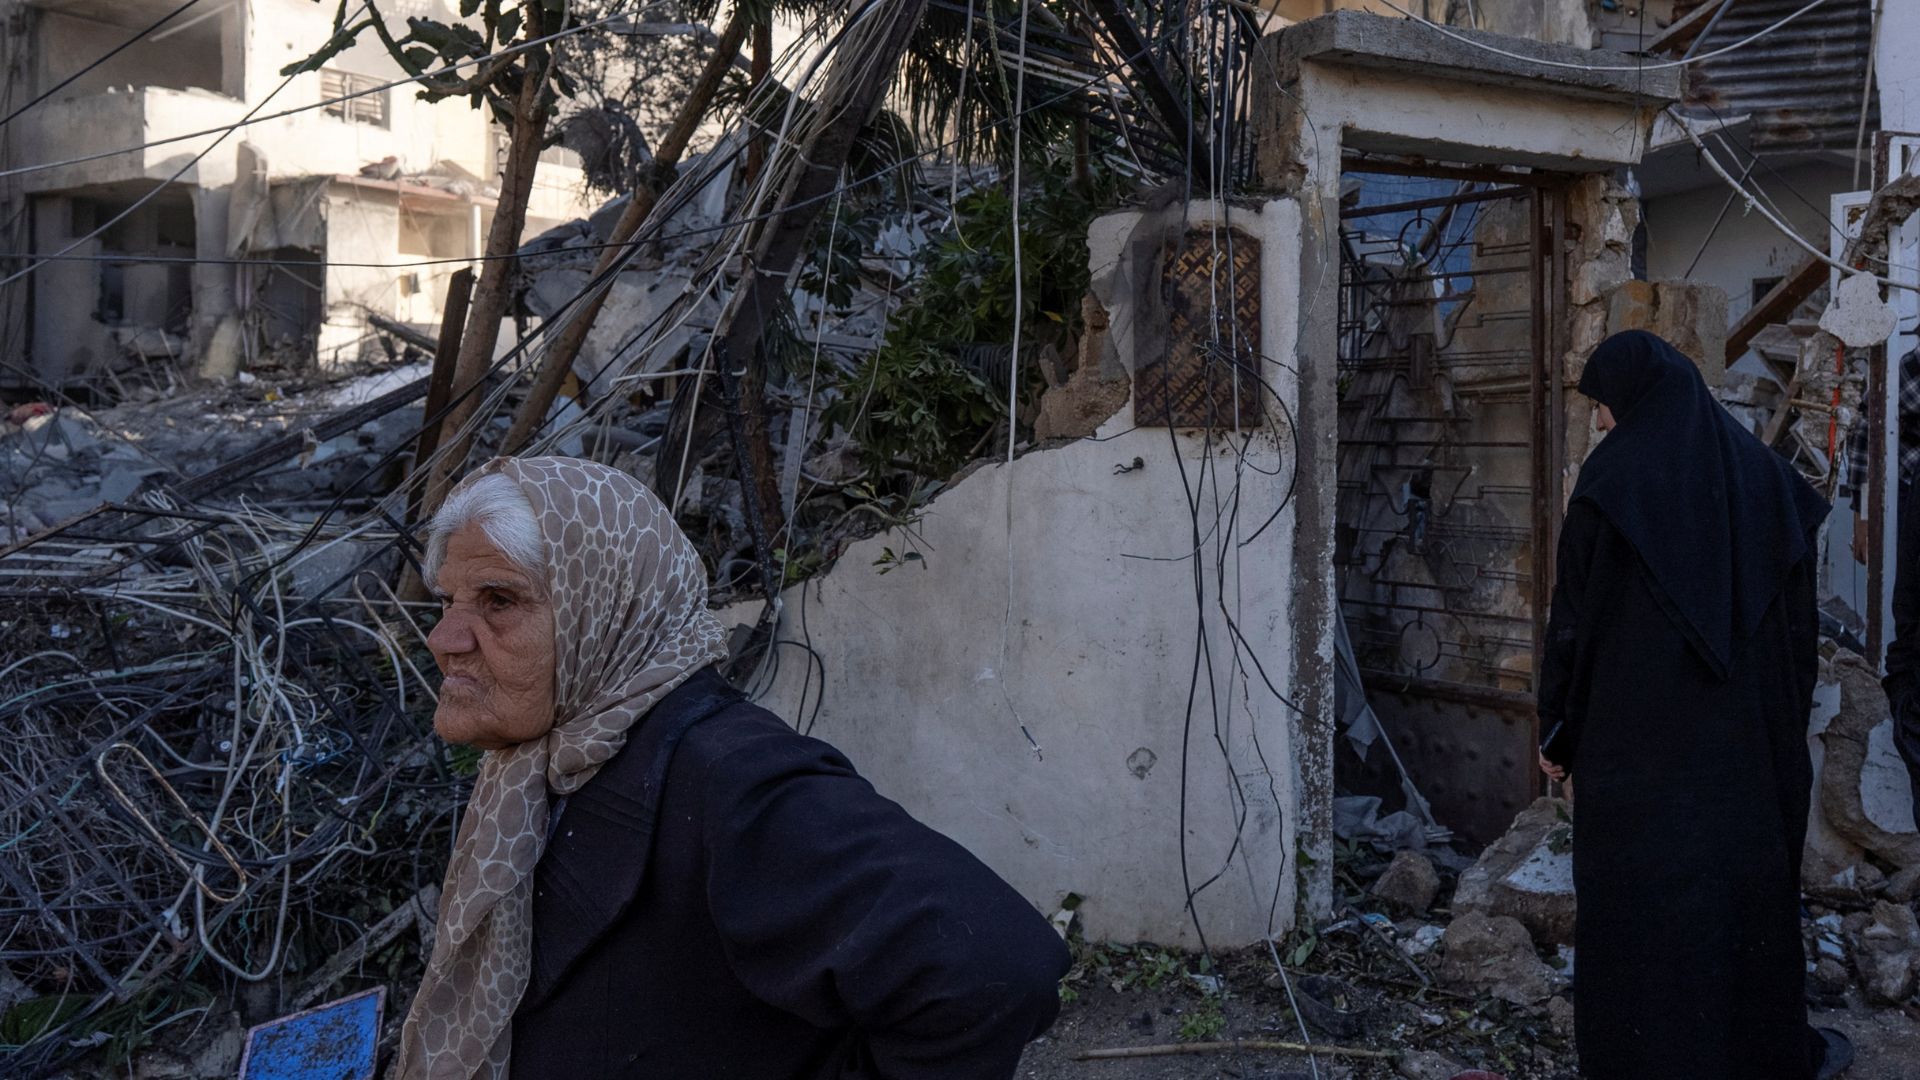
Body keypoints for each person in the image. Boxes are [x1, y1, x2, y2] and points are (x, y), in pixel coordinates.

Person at [394, 457, 1069, 1079]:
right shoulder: (555, 760)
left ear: (602, 608)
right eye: (449, 602)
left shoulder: (731, 778)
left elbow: (995, 970)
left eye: (499, 602)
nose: (445, 639)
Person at [1535, 332, 1847, 1079]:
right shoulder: (1771, 484)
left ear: (1635, 400)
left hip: (1636, 761)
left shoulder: (1612, 488)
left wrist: (1558, 729)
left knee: (1643, 919)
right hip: (1748, 760)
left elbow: (1573, 623)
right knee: (1742, 904)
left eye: (1605, 407)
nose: (1604, 423)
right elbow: (1800, 638)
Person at [1842, 347, 1920, 809]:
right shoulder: (1910, 368)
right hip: (1909, 497)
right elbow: (1868, 422)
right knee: (1908, 631)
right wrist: (1865, 513)